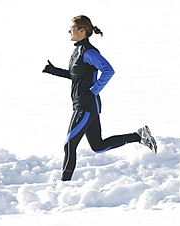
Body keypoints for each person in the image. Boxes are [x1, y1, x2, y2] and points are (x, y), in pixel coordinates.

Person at [43, 15, 157, 181]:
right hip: (83, 104)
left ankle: (64, 184)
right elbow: (77, 77)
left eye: (72, 28)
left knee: (69, 145)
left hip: (86, 105)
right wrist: (54, 71)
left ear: (82, 31)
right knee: (98, 146)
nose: (69, 31)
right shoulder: (77, 51)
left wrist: (93, 91)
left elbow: (108, 70)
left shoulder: (89, 52)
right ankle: (139, 136)